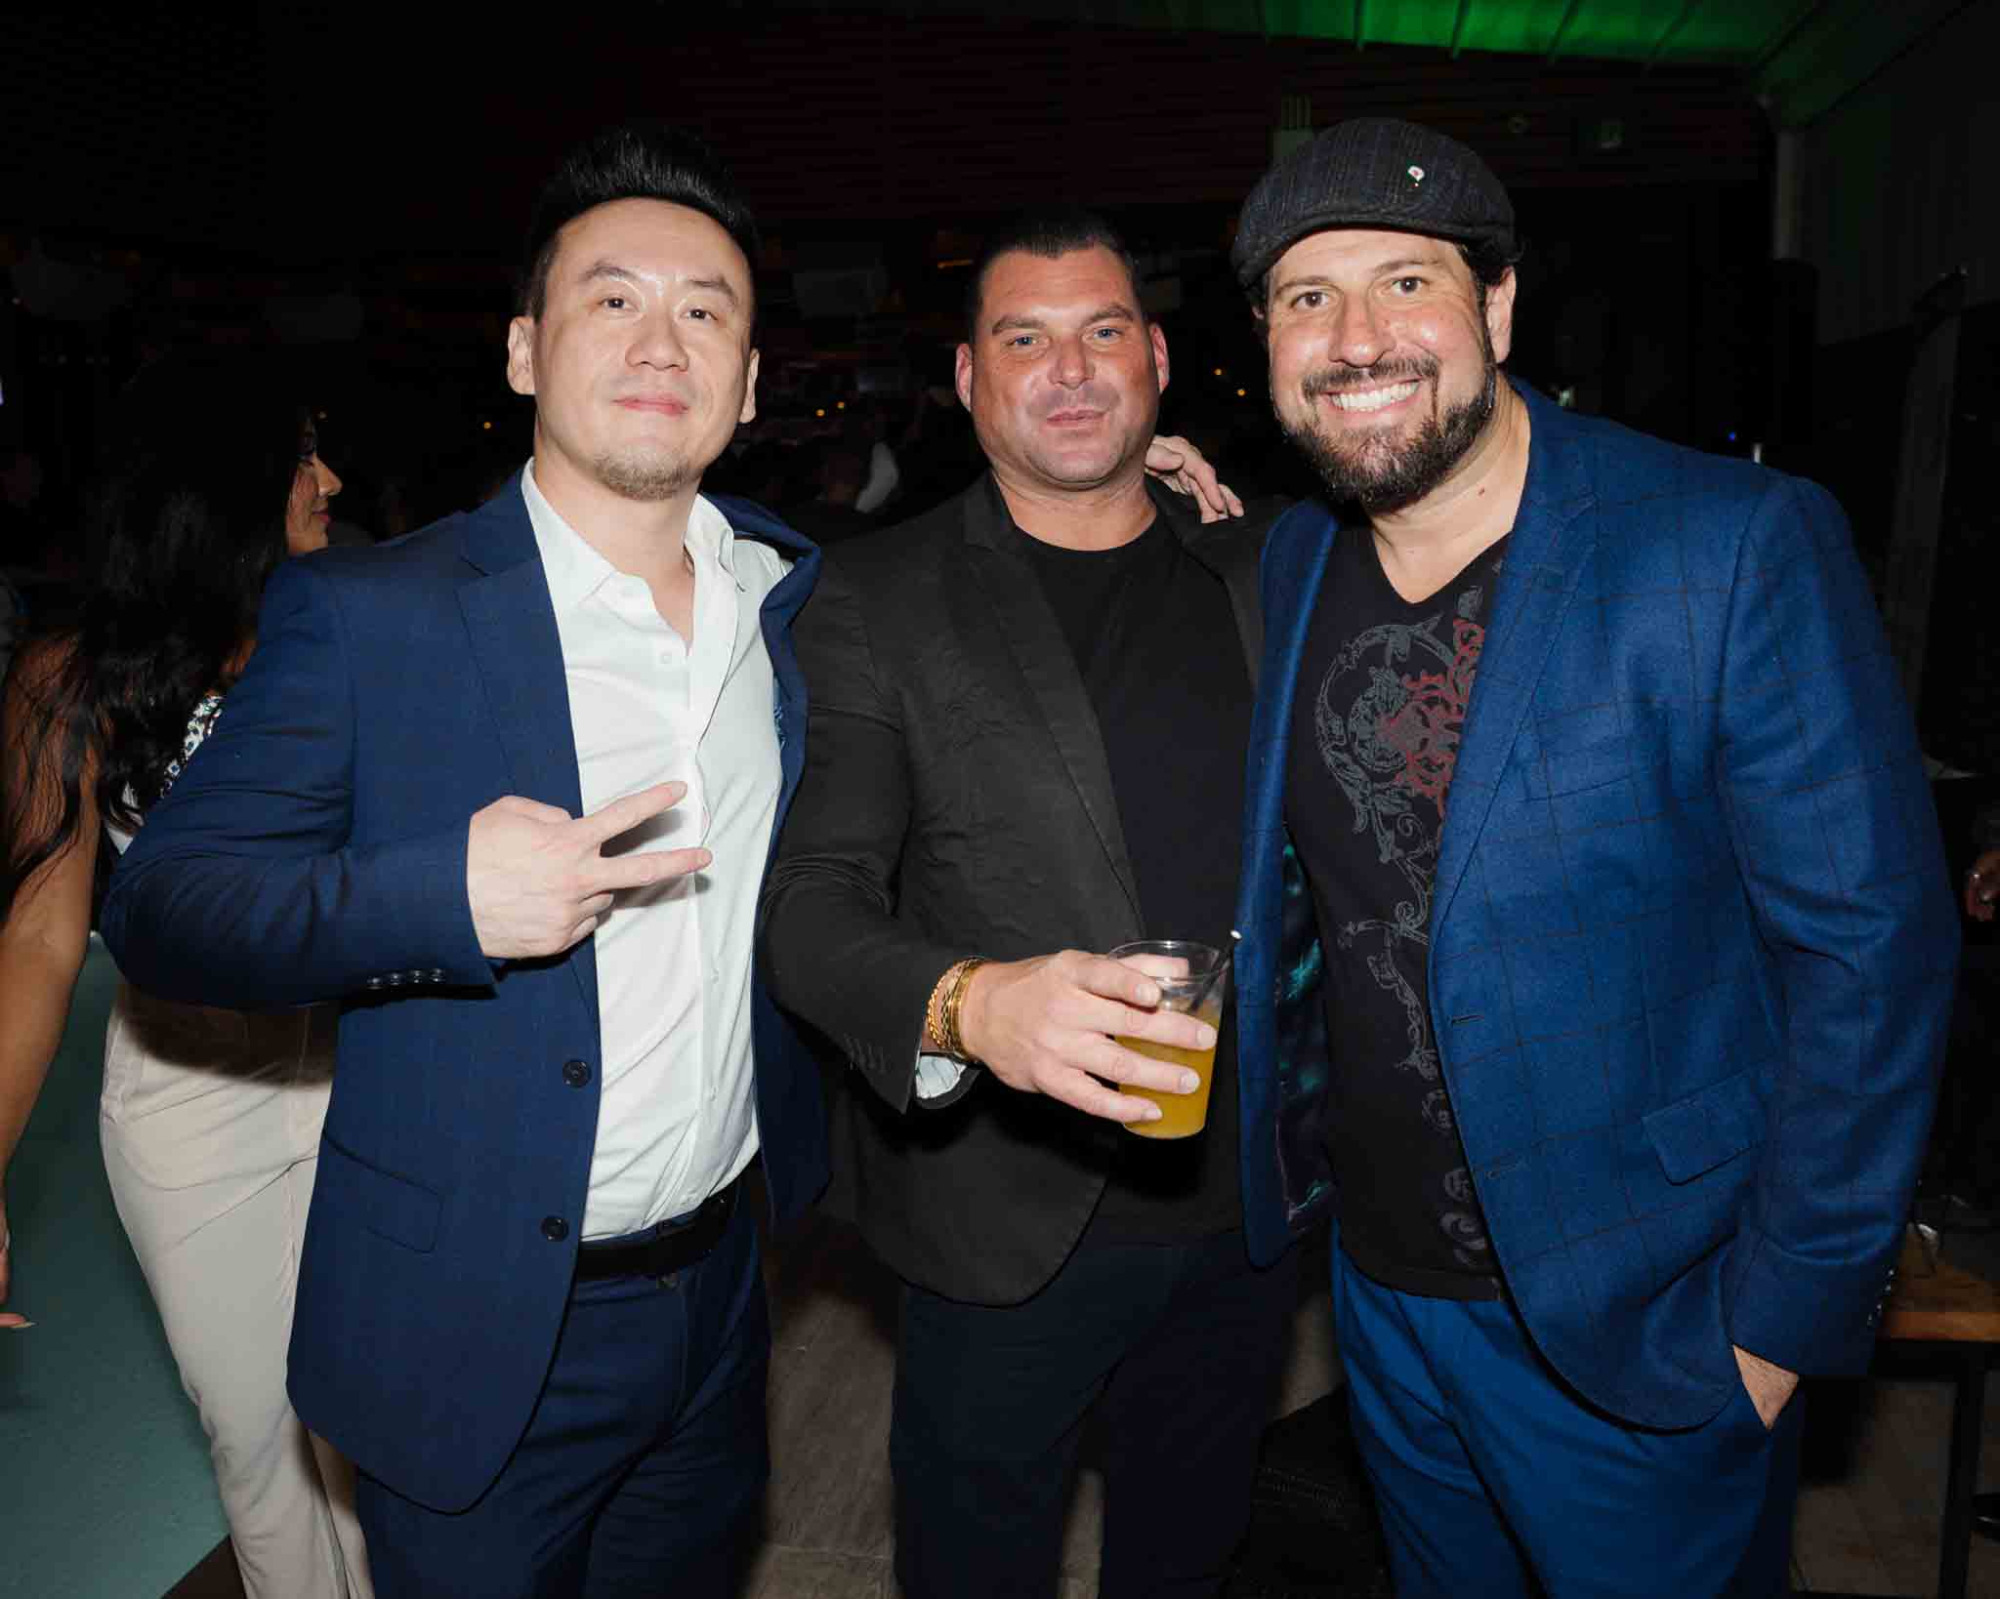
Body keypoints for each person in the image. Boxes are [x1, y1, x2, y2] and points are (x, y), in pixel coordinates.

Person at [1225, 117, 1959, 1597]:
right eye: (1308, 297)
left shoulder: (1727, 541)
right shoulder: (1293, 559)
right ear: (1267, 343)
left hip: (1650, 1318)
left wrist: (1778, 1321)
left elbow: (1873, 950)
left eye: (1405, 283)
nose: (1356, 338)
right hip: (1379, 1297)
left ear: (1497, 307)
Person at [99, 124, 829, 1598]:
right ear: (522, 351)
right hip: (475, 1322)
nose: (661, 340)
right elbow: (166, 903)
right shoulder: (374, 613)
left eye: (705, 310)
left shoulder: (791, 596)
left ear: (749, 382)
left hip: (722, 1295)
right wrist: (442, 896)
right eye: (611, 299)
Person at [761, 209, 1294, 1599]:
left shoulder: (1267, 568)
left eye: (1102, 330)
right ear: (966, 378)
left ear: (1157, 360)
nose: (1069, 368)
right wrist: (970, 1005)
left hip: (1243, 1208)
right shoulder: (874, 595)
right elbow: (808, 905)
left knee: (1191, 1554)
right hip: (1005, 1220)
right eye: (1023, 338)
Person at [0, 356, 369, 1598]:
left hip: (367, 1070)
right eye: (303, 454)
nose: (331, 479)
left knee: (382, 1427)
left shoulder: (358, 633)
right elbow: (38, 940)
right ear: (222, 485)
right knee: (258, 1449)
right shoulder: (69, 680)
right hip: (185, 1094)